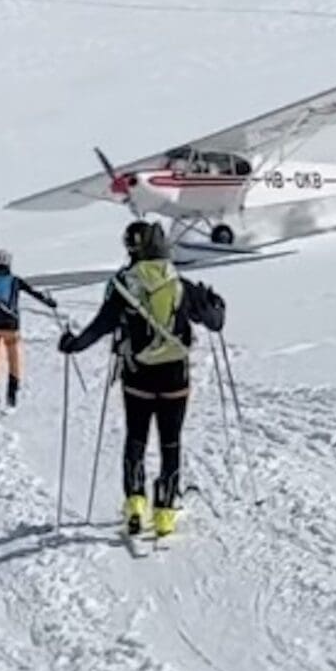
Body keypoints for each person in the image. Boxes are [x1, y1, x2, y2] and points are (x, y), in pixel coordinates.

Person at [57, 221, 225, 537]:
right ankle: (164, 513)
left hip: (138, 375)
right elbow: (213, 322)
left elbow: (101, 325)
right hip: (176, 375)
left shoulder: (125, 283)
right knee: (170, 441)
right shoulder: (179, 281)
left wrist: (73, 344)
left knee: (136, 437)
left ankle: (135, 503)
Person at [0, 249, 57, 416]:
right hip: (11, 325)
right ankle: (11, 396)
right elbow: (34, 293)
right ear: (9, 263)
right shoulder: (15, 281)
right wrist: (49, 302)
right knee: (13, 358)